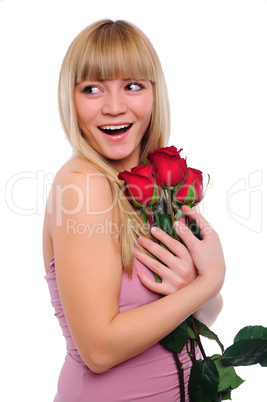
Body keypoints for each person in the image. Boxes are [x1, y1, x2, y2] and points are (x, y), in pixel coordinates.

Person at [43, 19, 225, 402]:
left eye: (132, 86)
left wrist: (198, 289)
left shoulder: (149, 185)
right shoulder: (83, 185)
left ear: (154, 94)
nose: (114, 107)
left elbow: (196, 319)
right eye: (92, 89)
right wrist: (209, 282)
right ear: (71, 99)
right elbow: (99, 351)